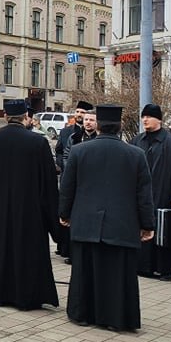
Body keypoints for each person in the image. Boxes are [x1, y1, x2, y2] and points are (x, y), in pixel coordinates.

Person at [59, 104, 155, 331]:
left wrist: (64, 214)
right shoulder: (136, 154)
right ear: (120, 126)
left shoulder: (79, 151)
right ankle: (116, 318)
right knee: (117, 274)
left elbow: (67, 187)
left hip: (86, 222)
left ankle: (82, 314)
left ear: (98, 126)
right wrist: (147, 225)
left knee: (84, 271)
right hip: (122, 225)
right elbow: (144, 195)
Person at [0, 99, 60, 310]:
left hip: (1, 207)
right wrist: (54, 219)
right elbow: (49, 183)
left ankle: (1, 292)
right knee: (28, 249)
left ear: (5, 117)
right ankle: (28, 295)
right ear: (26, 118)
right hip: (31, 209)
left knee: (2, 247)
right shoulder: (37, 142)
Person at [132, 103, 171, 280]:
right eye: (143, 116)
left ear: (159, 119)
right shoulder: (137, 140)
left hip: (163, 193)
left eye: (149, 116)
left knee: (164, 230)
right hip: (142, 194)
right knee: (142, 227)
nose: (145, 120)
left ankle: (165, 268)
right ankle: (143, 266)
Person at [54, 101, 93, 260]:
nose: (80, 115)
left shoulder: (94, 136)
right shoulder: (68, 133)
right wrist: (66, 168)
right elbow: (61, 153)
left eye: (83, 113)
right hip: (68, 178)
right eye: (78, 111)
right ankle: (65, 248)